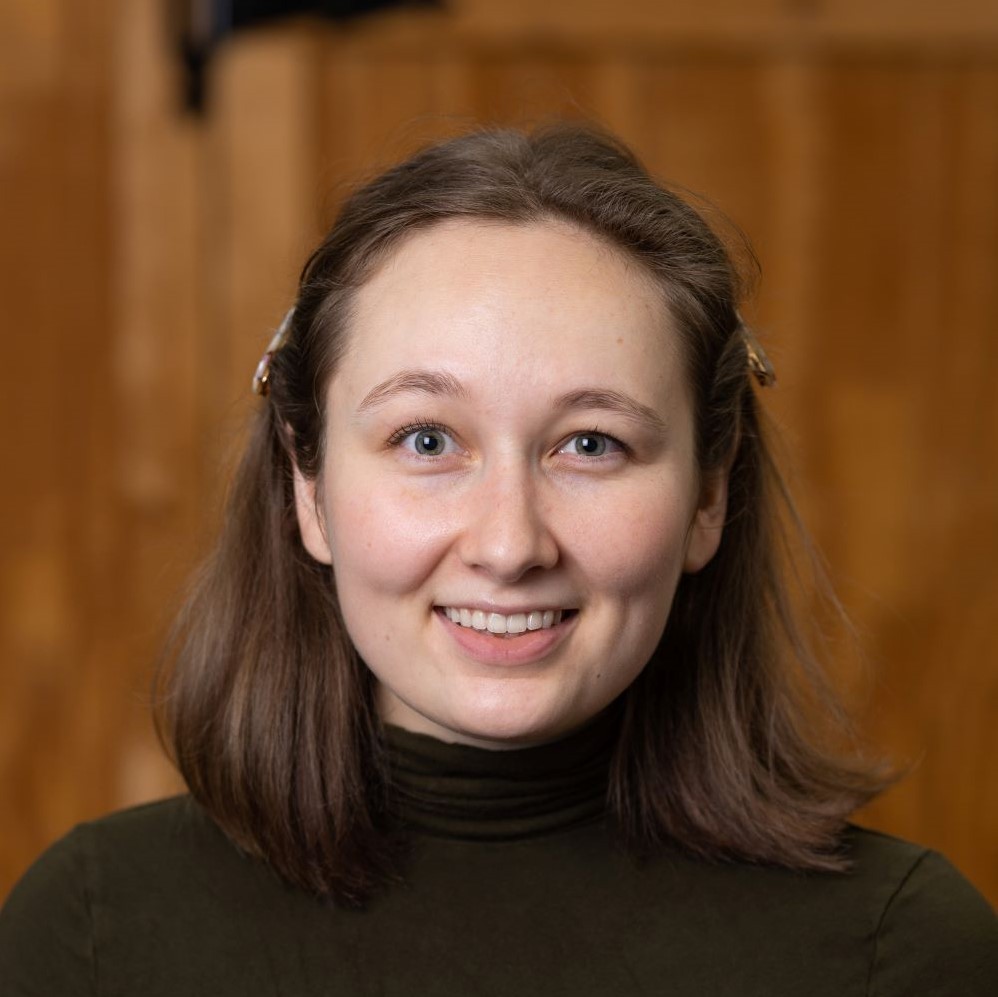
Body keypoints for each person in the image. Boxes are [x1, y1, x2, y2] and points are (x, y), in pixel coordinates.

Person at [1, 123, 995, 995]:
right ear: (308, 486)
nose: (510, 544)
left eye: (591, 443)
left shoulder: (900, 952)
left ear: (708, 495)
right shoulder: (93, 935)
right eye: (427, 439)